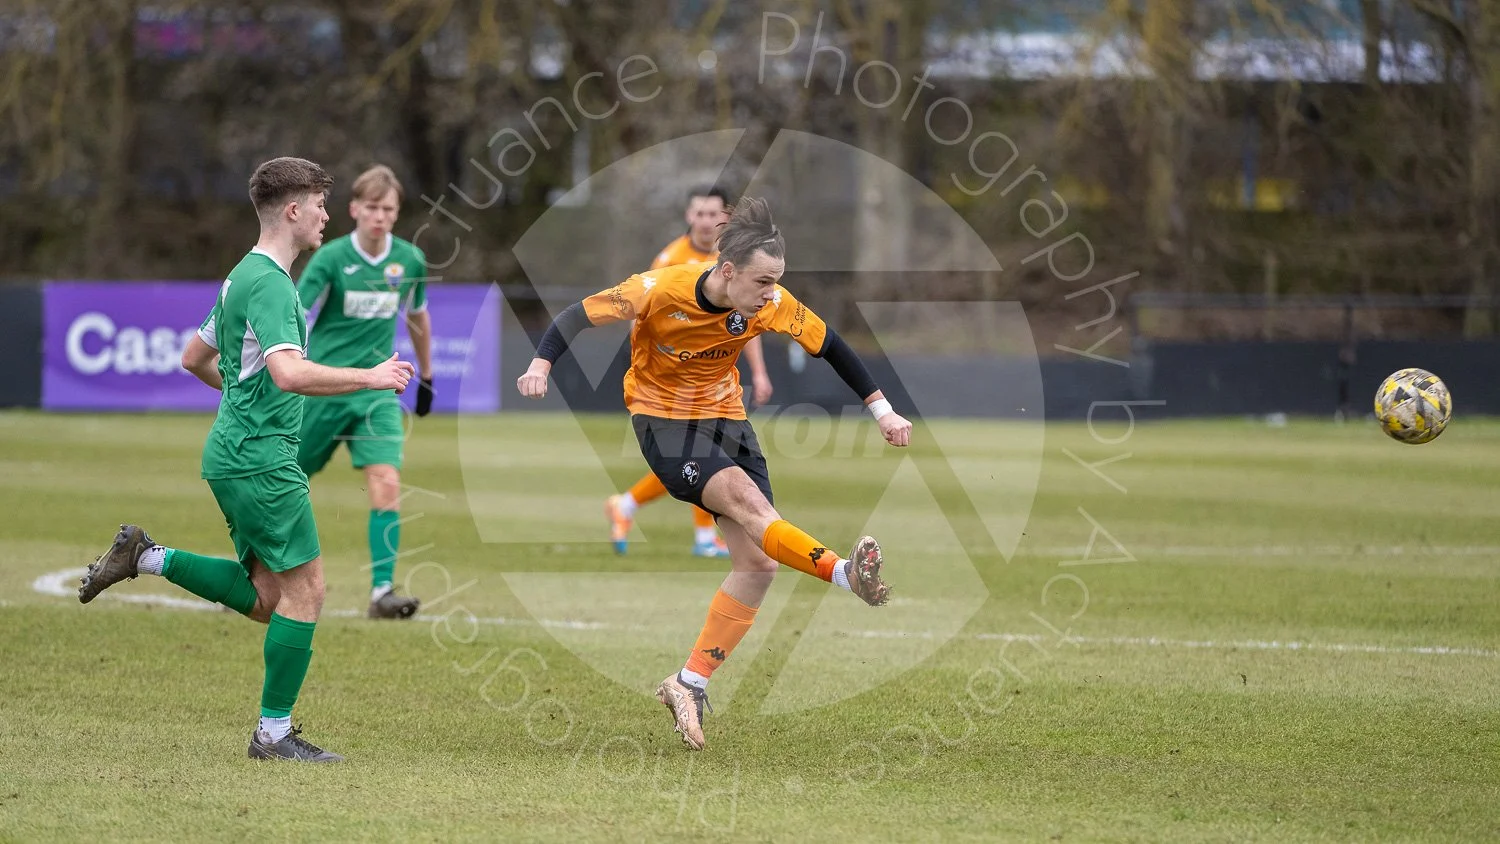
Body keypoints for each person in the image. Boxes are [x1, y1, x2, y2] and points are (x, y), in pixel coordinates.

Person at [517, 197, 913, 750]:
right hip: (663, 422)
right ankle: (849, 575)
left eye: (778, 281)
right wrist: (541, 364)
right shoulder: (658, 288)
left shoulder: (771, 303)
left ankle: (687, 682)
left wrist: (882, 409)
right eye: (763, 281)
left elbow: (833, 347)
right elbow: (576, 315)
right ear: (728, 271)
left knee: (757, 565)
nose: (772, 293)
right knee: (748, 503)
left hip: (727, 417)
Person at [77, 157, 415, 763]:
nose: (325, 216)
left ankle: (146, 555)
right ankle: (274, 735)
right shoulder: (273, 285)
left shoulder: (241, 277)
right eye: (318, 204)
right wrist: (371, 376)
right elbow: (286, 372)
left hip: (233, 451)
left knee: (267, 597)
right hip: (260, 460)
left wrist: (242, 402)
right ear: (293, 210)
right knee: (307, 592)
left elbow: (194, 358)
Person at [605, 186, 775, 558]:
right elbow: (643, 311)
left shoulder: (734, 259)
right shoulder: (671, 259)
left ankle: (627, 506)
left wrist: (759, 372)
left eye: (714, 214)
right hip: (665, 375)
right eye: (700, 213)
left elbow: (747, 322)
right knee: (698, 456)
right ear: (689, 217)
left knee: (699, 457)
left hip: (709, 372)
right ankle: (698, 537)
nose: (707, 221)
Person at [294, 164, 432, 619]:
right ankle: (251, 573)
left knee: (387, 482)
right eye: (372, 207)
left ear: (397, 213)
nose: (380, 216)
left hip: (377, 390)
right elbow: (295, 309)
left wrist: (427, 376)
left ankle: (381, 593)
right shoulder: (331, 257)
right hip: (325, 387)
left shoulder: (409, 260)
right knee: (284, 482)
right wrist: (285, 366)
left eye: (388, 209)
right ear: (354, 209)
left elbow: (416, 317)